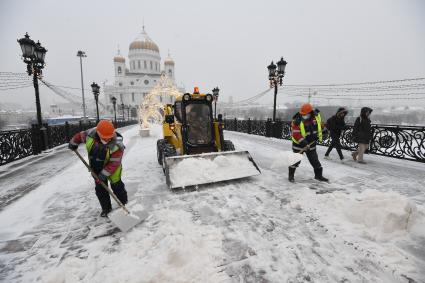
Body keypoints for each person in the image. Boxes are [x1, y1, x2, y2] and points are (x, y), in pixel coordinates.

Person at [68, 119, 128, 217]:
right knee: (100, 189)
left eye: (109, 138)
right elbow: (79, 136)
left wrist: (103, 175)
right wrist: (73, 142)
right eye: (105, 138)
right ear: (98, 134)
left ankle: (124, 203)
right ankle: (106, 209)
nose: (108, 140)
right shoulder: (90, 135)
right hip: (96, 166)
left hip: (113, 169)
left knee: (117, 186)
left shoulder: (117, 145)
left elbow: (114, 163)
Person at [289, 103, 329, 182]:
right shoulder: (297, 120)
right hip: (299, 145)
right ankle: (291, 176)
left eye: (306, 114)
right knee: (296, 161)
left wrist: (324, 131)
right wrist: (304, 142)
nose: (304, 116)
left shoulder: (316, 117)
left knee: (315, 160)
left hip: (311, 144)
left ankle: (318, 176)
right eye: (303, 114)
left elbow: (320, 126)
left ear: (310, 113)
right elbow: (296, 134)